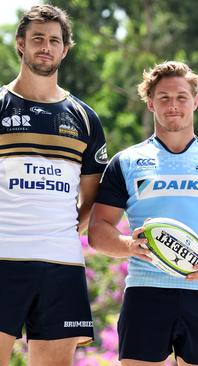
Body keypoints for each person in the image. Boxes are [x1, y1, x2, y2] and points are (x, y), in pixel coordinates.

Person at [88, 61, 198, 366]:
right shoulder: (126, 162)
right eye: (164, 97)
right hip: (145, 292)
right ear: (151, 102)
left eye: (181, 97)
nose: (173, 105)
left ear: (195, 101)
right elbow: (98, 230)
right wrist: (129, 245)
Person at [0, 5, 107, 366]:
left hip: (62, 264)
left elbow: (92, 200)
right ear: (20, 44)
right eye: (37, 39)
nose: (45, 46)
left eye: (54, 40)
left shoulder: (84, 118)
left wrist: (57, 230)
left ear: (65, 49)